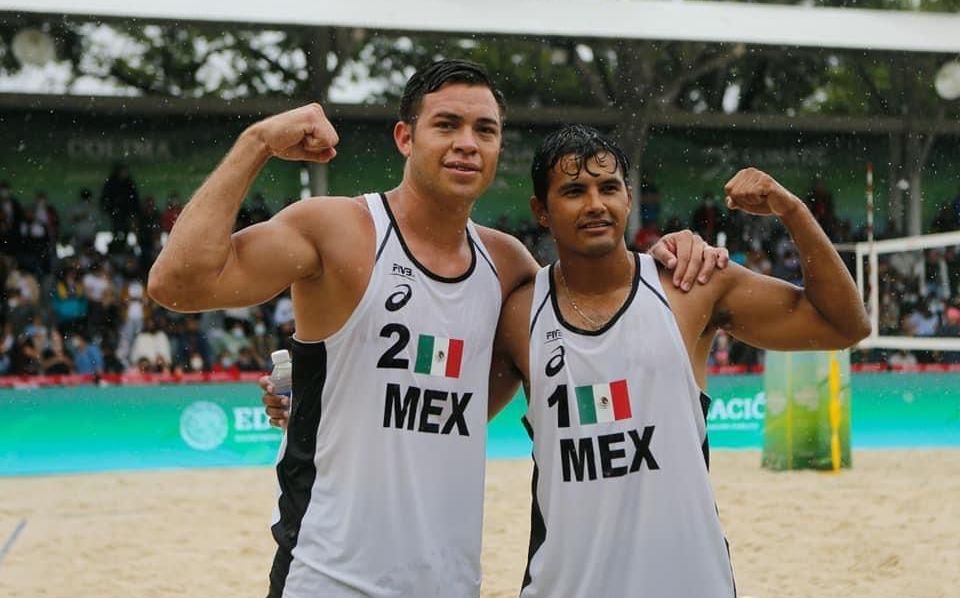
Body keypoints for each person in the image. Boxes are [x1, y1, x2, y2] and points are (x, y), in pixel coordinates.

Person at [149, 60, 723, 597]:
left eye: (485, 130)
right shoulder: (340, 230)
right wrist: (256, 144)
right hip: (327, 575)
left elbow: (490, 389)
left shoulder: (508, 267)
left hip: (449, 580)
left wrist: (677, 250)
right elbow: (178, 284)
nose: (467, 143)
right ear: (406, 137)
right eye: (446, 124)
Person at [481, 125, 869, 596]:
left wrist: (792, 211)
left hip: (691, 581)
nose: (595, 204)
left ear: (629, 197)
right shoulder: (519, 313)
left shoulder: (689, 285)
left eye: (609, 188)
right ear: (541, 211)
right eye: (573, 191)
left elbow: (845, 325)